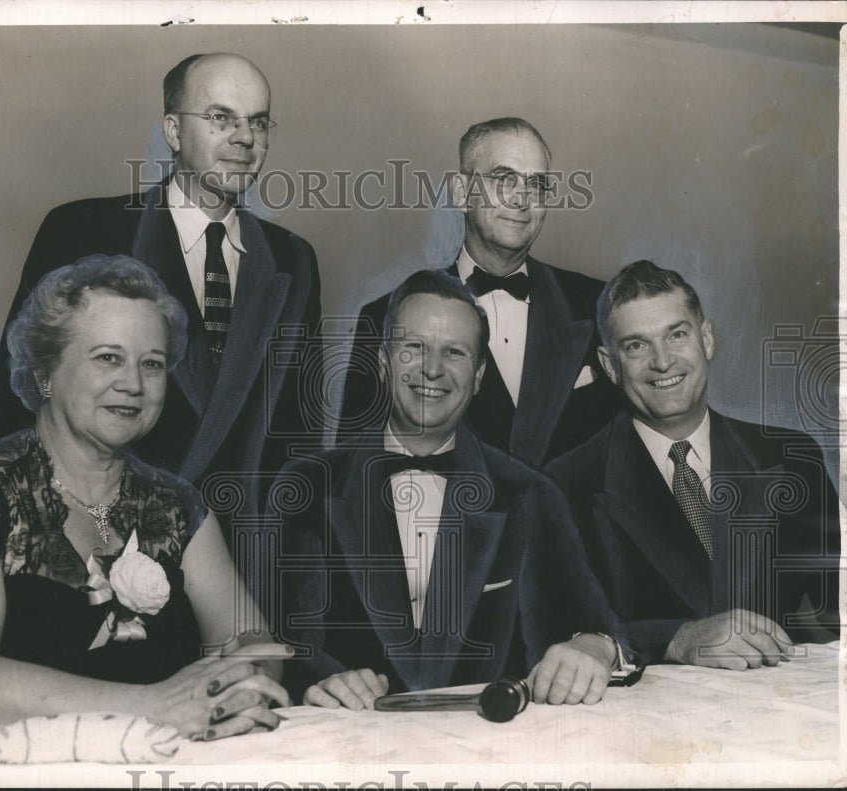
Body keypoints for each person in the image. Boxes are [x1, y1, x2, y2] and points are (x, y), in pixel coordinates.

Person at [0, 54, 321, 592]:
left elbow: (297, 437)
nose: (245, 137)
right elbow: (15, 393)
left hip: (241, 564)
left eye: (259, 121)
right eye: (222, 117)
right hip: (94, 549)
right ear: (174, 130)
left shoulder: (293, 259)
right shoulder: (84, 227)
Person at [0, 256, 291, 739]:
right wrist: (152, 706)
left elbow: (253, 641)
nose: (133, 383)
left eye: (151, 364)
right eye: (108, 357)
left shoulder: (178, 504)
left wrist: (247, 677)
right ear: (46, 369)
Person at [273, 269, 637, 710]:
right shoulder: (305, 485)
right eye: (414, 348)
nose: (432, 368)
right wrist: (316, 682)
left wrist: (596, 647)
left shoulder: (531, 493)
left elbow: (600, 633)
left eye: (454, 352)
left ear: (479, 375)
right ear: (384, 362)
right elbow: (276, 644)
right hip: (349, 752)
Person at [547, 260, 840, 668]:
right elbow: (558, 634)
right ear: (610, 365)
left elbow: (834, 622)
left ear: (706, 339)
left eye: (677, 335)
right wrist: (678, 638)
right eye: (636, 345)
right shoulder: (562, 485)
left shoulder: (794, 459)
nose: (663, 362)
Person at [338, 117, 619, 464]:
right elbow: (352, 479)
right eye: (504, 180)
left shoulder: (597, 304)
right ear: (461, 192)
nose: (521, 199)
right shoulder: (383, 315)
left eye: (537, 185)